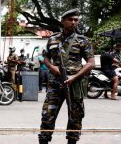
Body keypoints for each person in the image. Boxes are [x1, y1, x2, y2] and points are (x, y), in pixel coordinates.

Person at [38, 8, 95, 144]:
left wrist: (74, 77)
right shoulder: (53, 39)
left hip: (74, 85)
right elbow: (45, 58)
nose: (74, 22)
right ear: (63, 21)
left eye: (76, 20)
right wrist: (53, 67)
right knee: (47, 116)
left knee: (75, 118)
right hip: (55, 84)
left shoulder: (83, 40)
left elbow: (91, 63)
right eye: (70, 20)